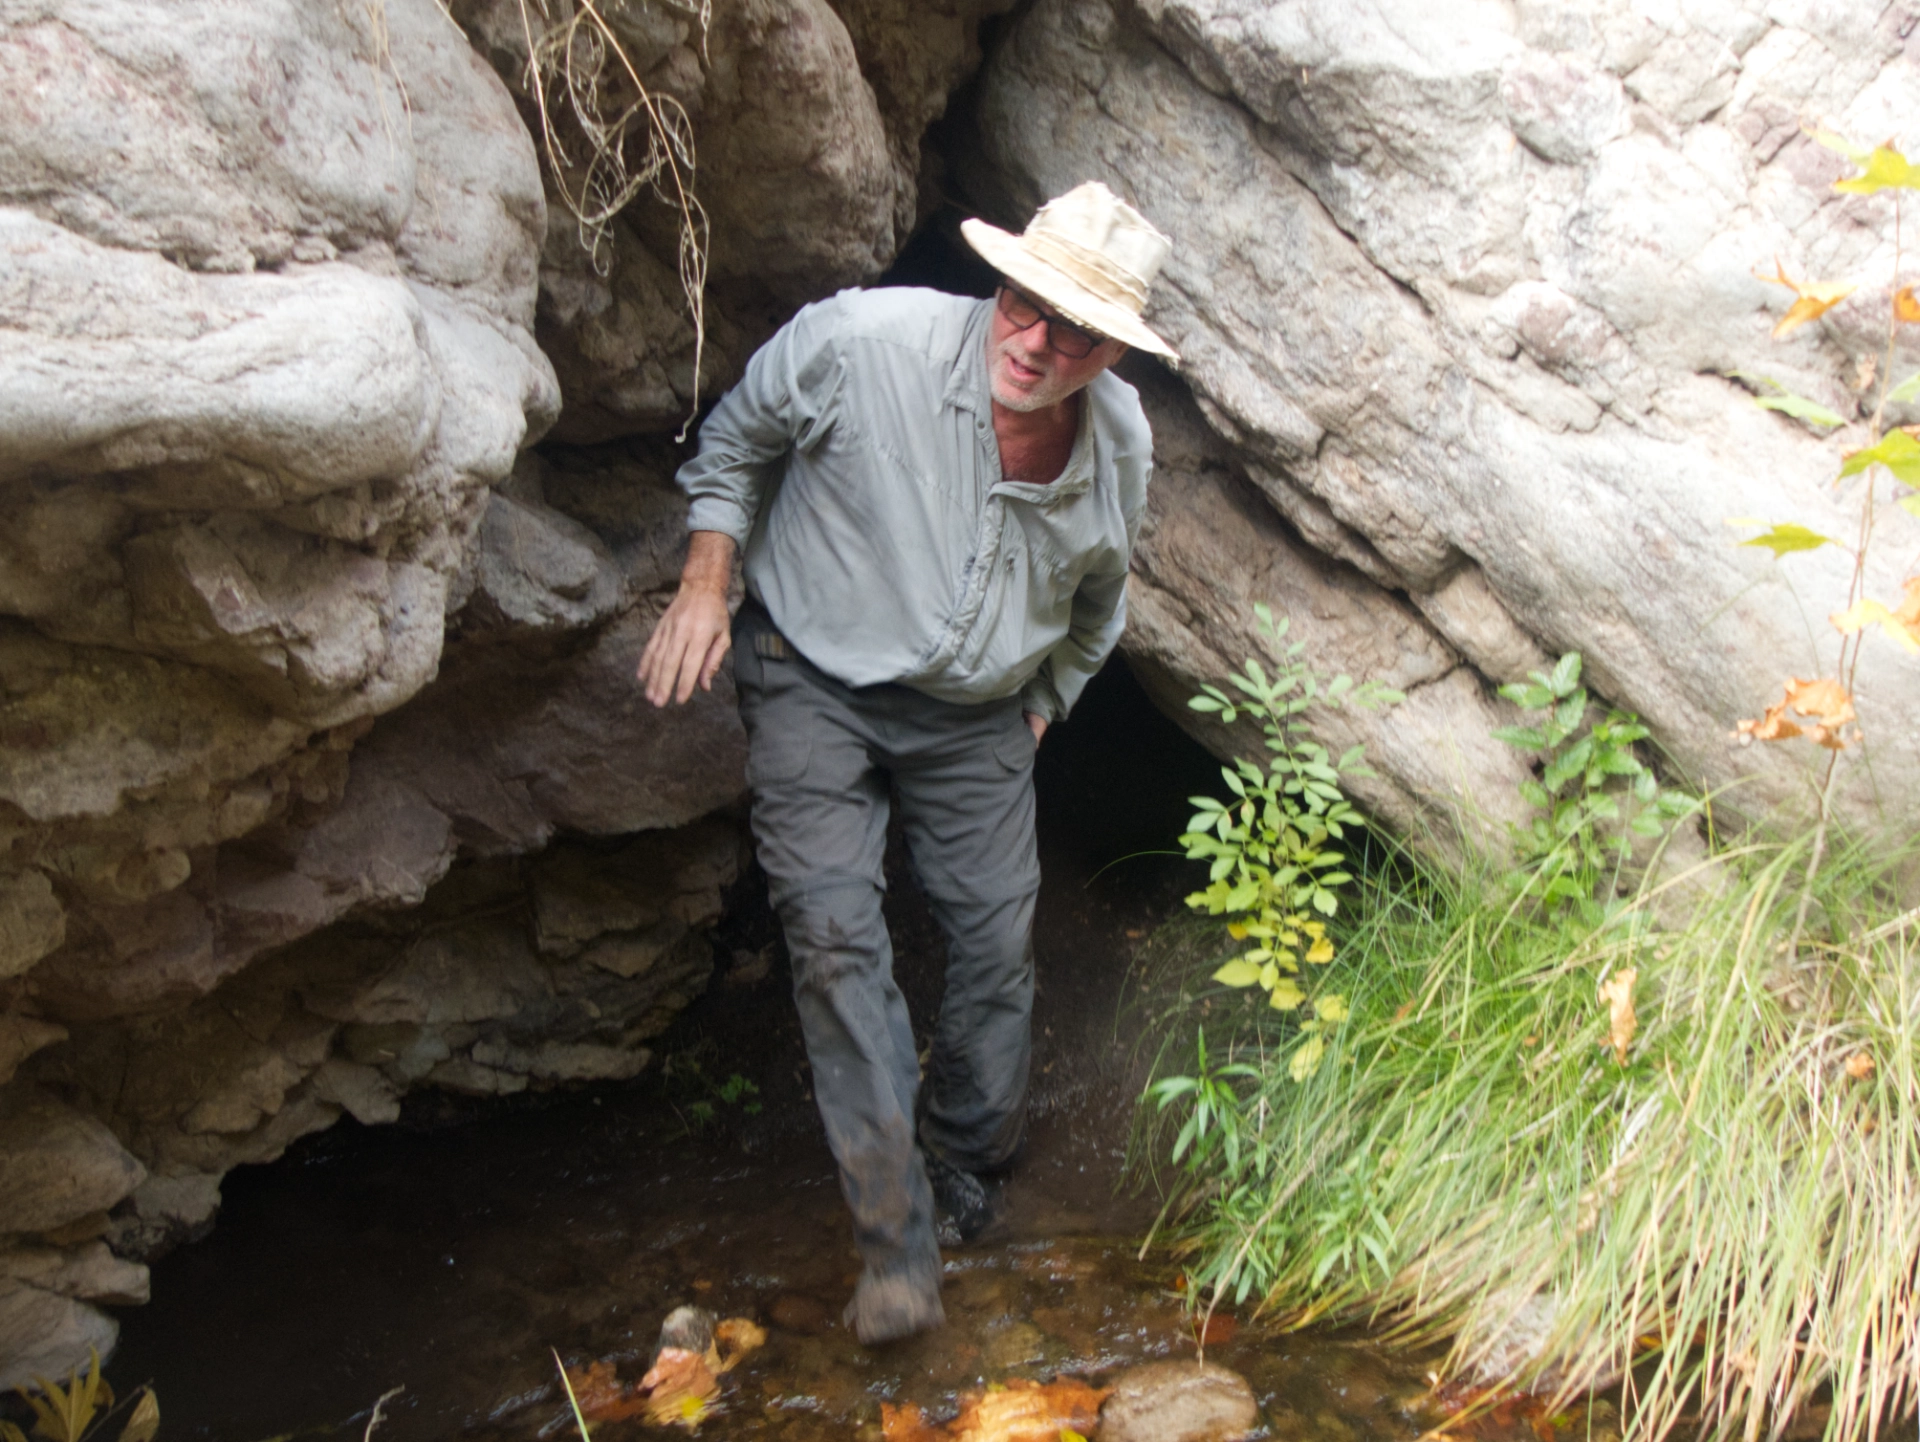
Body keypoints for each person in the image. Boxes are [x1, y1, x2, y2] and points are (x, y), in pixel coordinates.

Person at [637, 181, 1178, 1344]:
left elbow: (1099, 597)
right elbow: (737, 435)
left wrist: (1044, 705)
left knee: (993, 938)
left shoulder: (1119, 442)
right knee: (837, 940)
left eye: (1074, 331)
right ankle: (895, 1244)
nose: (1036, 342)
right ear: (1004, 282)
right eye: (1025, 305)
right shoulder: (859, 340)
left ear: (1112, 352)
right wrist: (704, 580)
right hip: (811, 670)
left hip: (983, 709)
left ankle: (968, 1158)